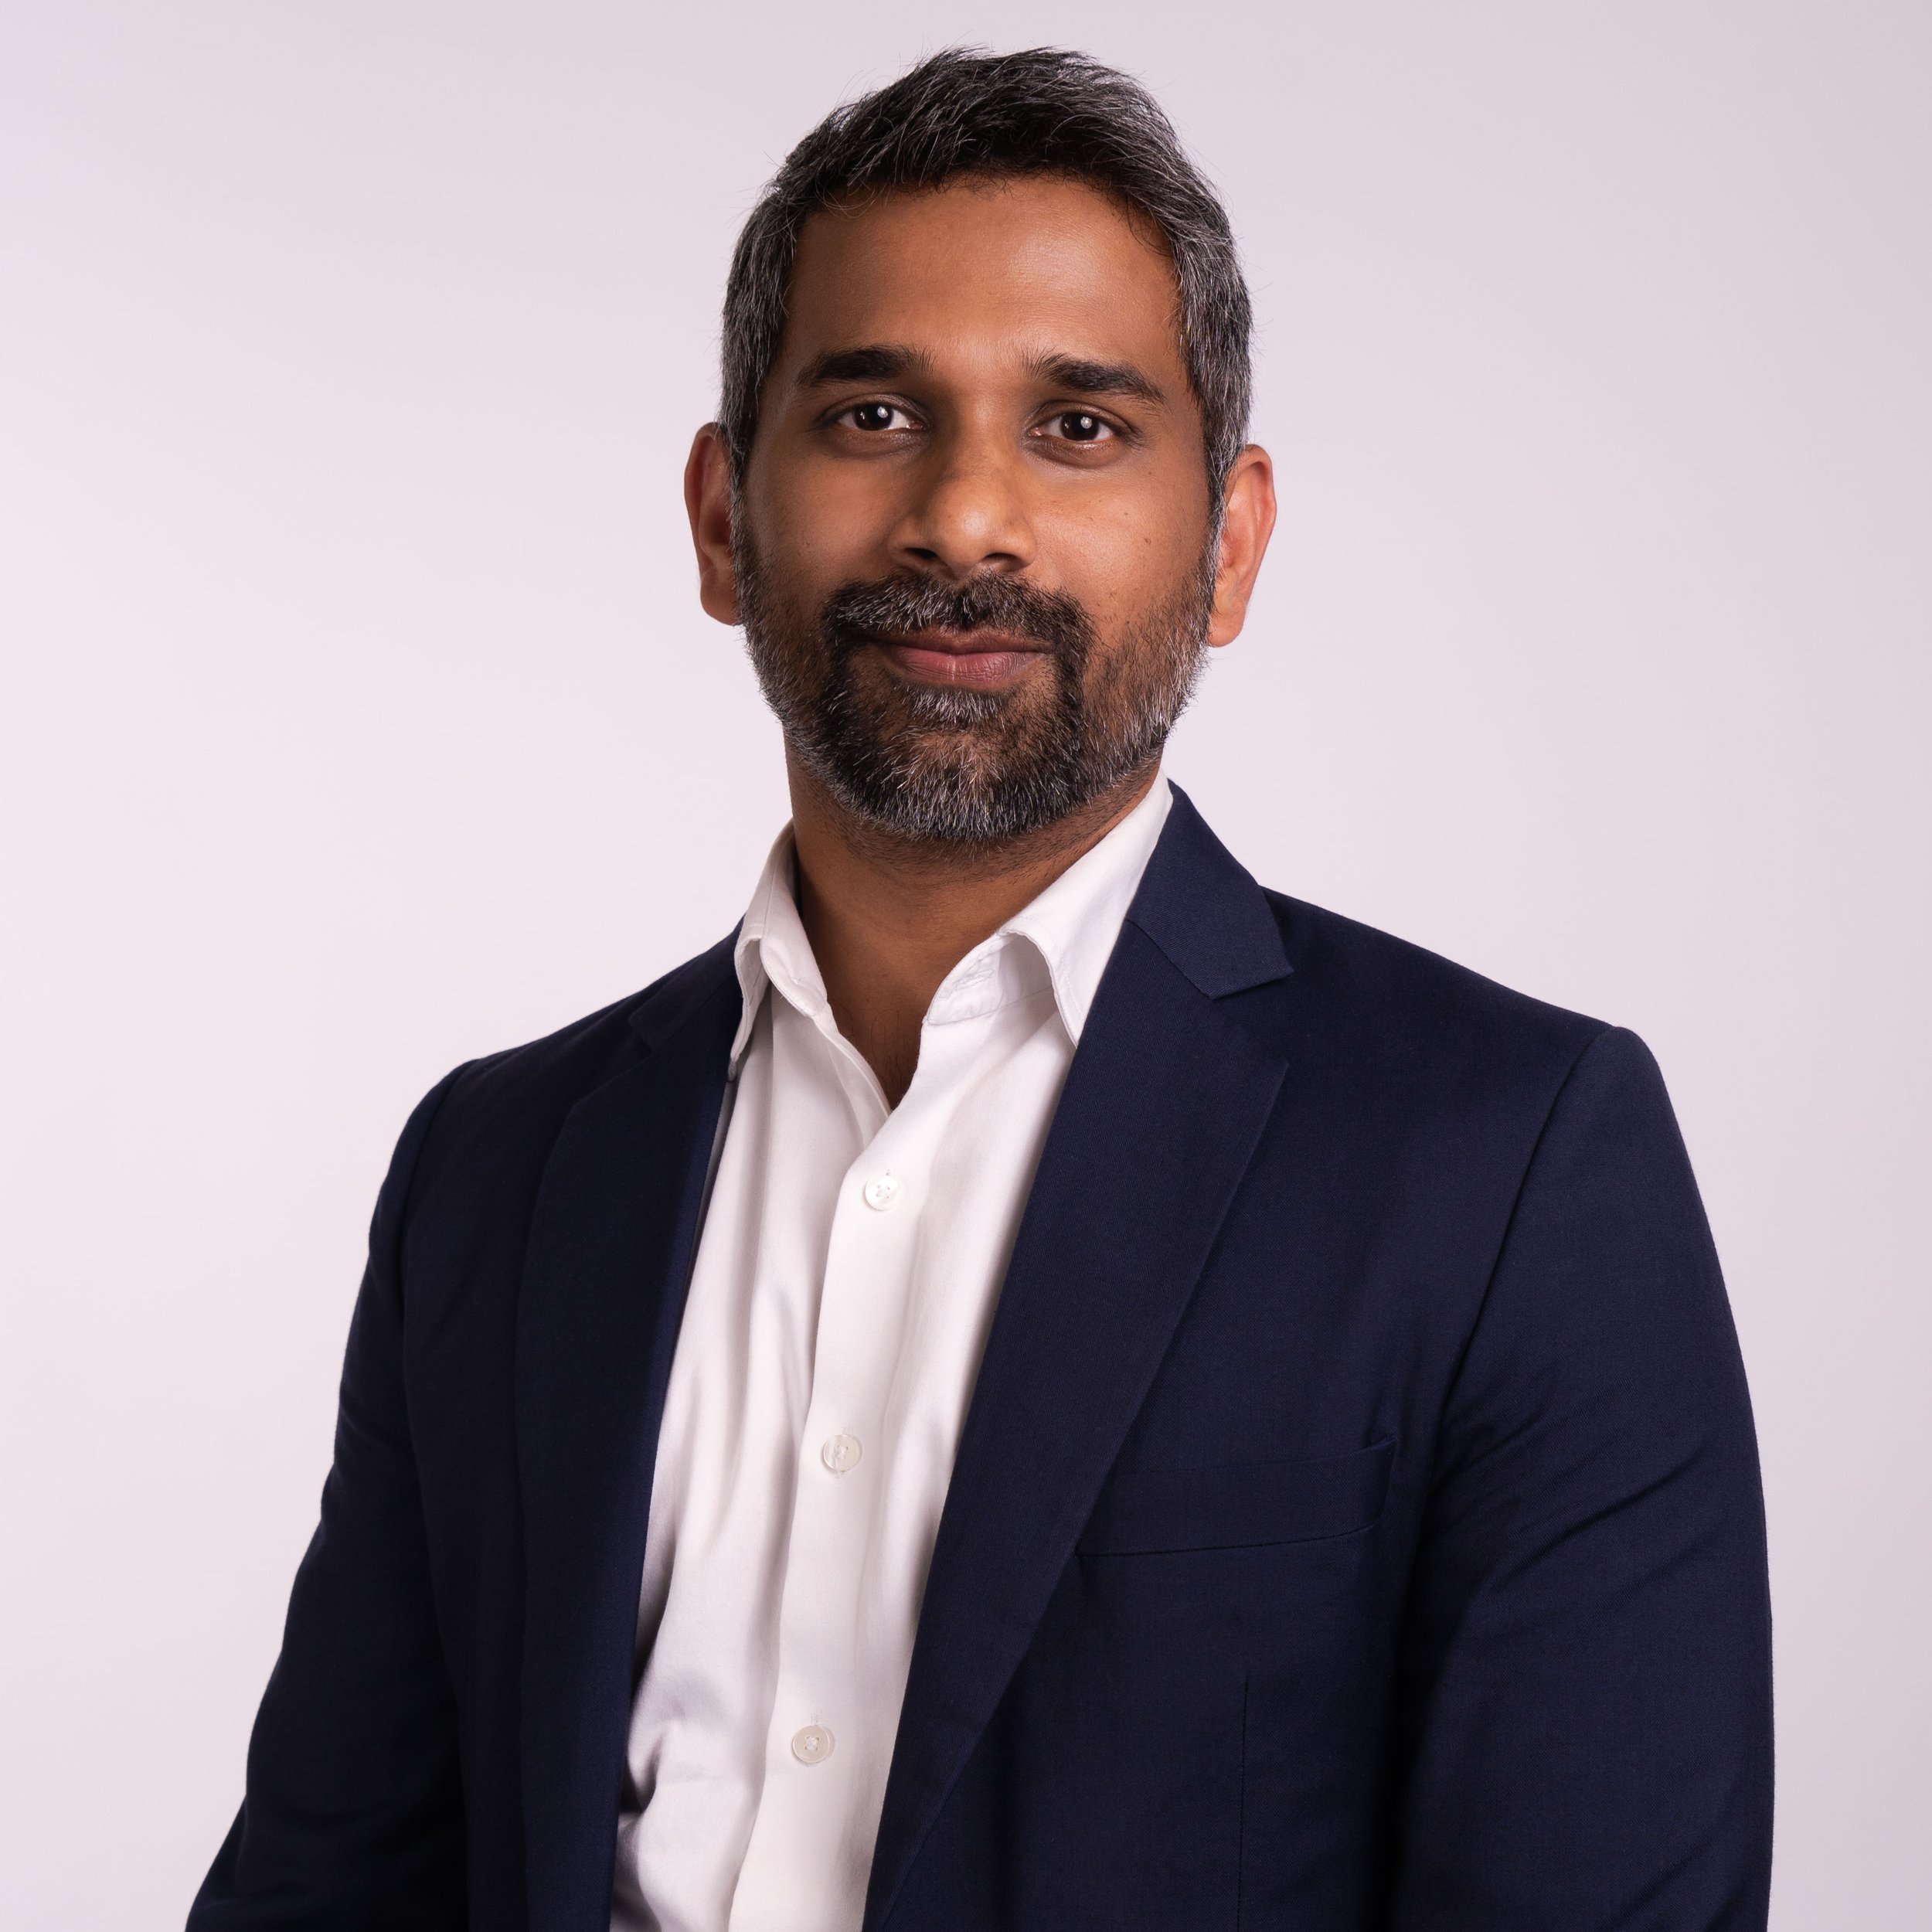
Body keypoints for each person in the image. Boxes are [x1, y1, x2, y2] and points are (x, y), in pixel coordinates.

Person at [189, 46, 1773, 1932]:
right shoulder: (498, 1169)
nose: (963, 520)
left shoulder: (1508, 1164)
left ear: (1231, 541)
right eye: (870, 413)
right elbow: (324, 1883)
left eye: (1080, 428)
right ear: (721, 516)